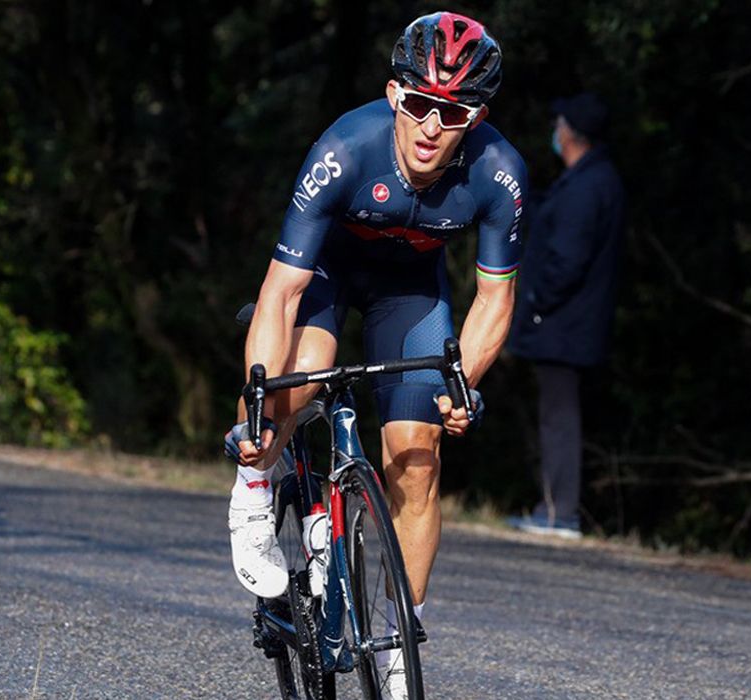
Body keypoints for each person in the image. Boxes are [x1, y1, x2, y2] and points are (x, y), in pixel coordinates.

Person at [224, 12, 525, 698]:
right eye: (417, 104)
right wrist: (260, 405)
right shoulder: (344, 149)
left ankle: (397, 636)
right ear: (394, 95)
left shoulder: (500, 173)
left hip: (410, 293)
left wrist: (463, 385)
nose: (429, 127)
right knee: (294, 392)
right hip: (325, 277)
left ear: (475, 117)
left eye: (450, 112)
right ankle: (256, 488)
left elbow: (495, 301)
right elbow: (280, 295)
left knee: (417, 460)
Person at [506, 92, 625, 539]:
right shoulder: (588, 181)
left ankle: (559, 512)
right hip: (568, 323)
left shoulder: (588, 187)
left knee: (559, 417)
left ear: (571, 133)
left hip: (564, 324)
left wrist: (535, 302)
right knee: (558, 413)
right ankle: (554, 508)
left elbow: (567, 261)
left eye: (558, 125)